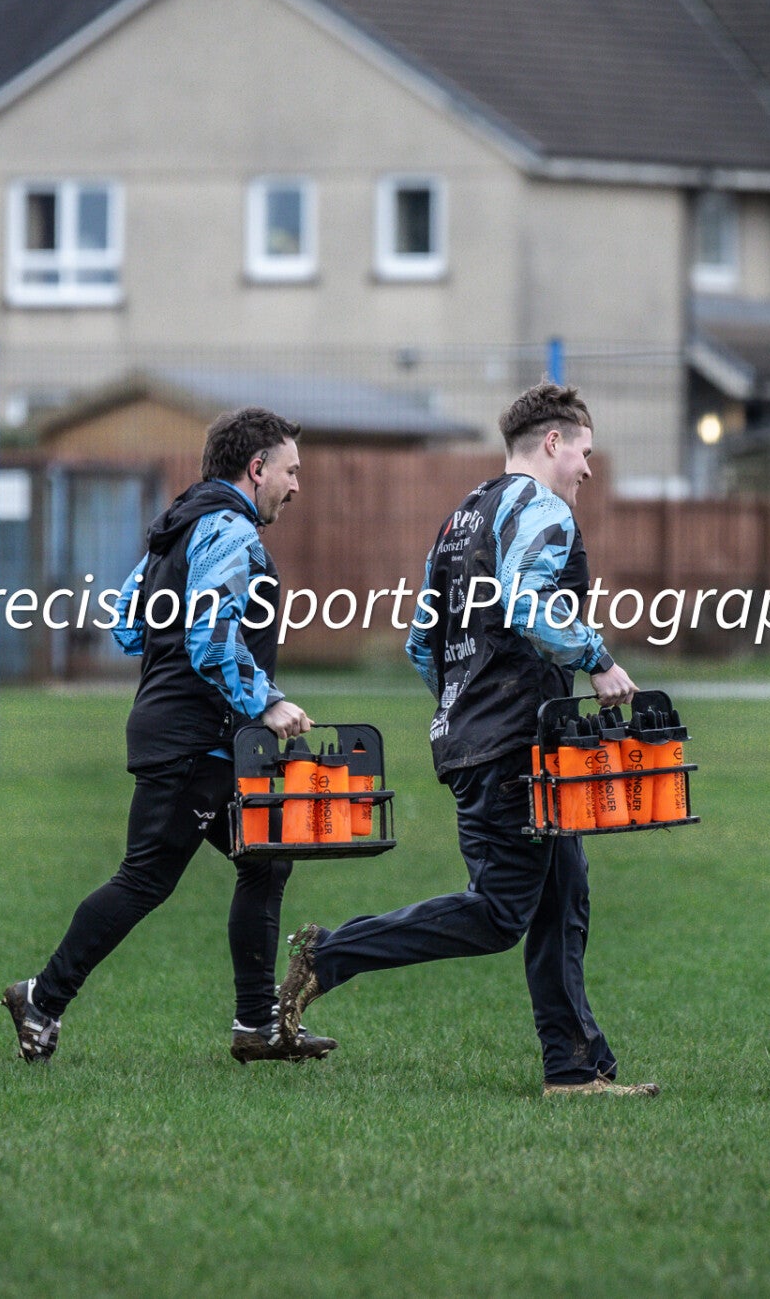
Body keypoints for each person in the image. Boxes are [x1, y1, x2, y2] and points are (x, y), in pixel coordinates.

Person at [274, 384, 659, 1097]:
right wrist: (598, 661)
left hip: (498, 739)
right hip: (514, 746)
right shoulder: (544, 511)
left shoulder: (461, 516)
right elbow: (528, 603)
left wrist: (464, 706)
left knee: (561, 898)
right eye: (585, 451)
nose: (588, 469)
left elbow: (424, 642)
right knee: (499, 913)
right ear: (553, 442)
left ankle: (575, 1068)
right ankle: (331, 954)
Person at [1, 407, 337, 1064]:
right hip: (194, 742)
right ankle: (41, 996)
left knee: (265, 859)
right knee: (145, 878)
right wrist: (262, 699)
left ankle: (256, 1024)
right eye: (291, 471)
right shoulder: (229, 531)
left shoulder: (178, 526)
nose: (296, 486)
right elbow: (211, 636)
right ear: (257, 467)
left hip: (193, 734)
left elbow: (130, 622)